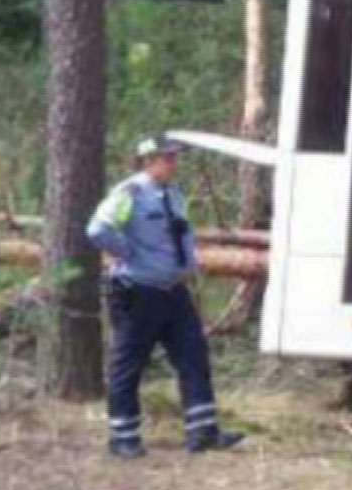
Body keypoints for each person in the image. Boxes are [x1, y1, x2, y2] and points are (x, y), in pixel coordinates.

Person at [88, 135, 245, 459]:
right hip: (138, 291)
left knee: (194, 355)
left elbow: (179, 233)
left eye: (175, 158)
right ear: (149, 161)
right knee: (128, 365)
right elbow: (98, 230)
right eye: (168, 158)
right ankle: (124, 438)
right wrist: (126, 252)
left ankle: (203, 432)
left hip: (174, 291)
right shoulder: (129, 193)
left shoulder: (171, 192)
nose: (174, 164)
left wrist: (189, 266)